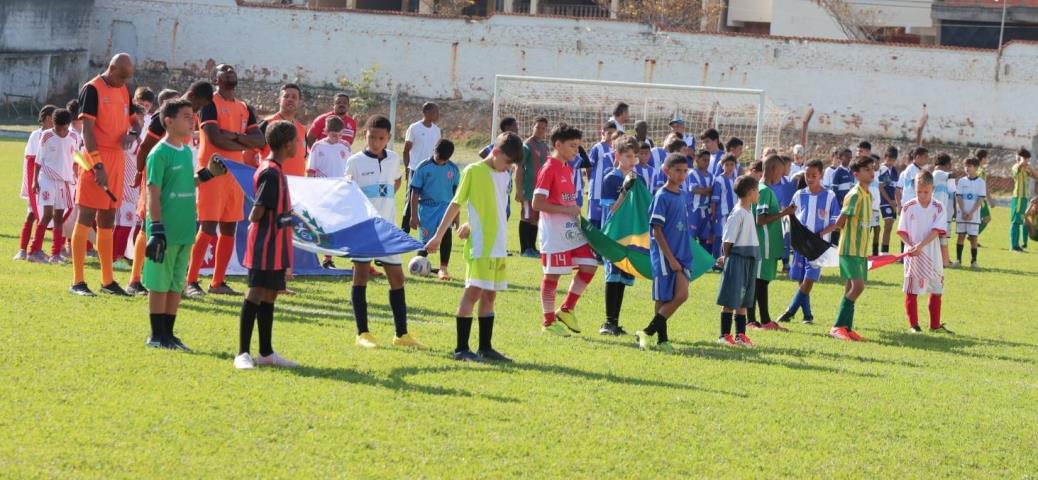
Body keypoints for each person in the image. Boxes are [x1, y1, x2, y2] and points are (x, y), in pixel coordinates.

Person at [424, 132, 524, 362]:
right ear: (496, 153)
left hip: (498, 244)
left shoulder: (504, 174)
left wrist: (470, 222)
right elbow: (456, 203)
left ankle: (485, 348)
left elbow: (494, 207)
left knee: (490, 295)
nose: (509, 167)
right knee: (473, 293)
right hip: (480, 246)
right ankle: (461, 349)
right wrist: (439, 236)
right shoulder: (473, 171)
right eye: (508, 162)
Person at [142, 98, 228, 350]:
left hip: (184, 228)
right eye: (187, 117)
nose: (193, 121)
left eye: (194, 116)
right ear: (169, 121)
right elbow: (153, 191)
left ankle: (168, 334)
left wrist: (208, 174)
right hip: (164, 229)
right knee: (159, 283)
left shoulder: (184, 151)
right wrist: (156, 228)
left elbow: (183, 183)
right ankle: (156, 336)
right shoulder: (159, 153)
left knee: (175, 283)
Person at [185, 64, 266, 298]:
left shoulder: (244, 107)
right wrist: (243, 142)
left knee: (230, 226)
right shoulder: (210, 104)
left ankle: (218, 281)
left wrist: (236, 137)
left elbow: (259, 139)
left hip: (236, 174)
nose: (230, 70)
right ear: (215, 79)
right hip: (213, 171)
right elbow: (215, 138)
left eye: (232, 69)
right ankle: (191, 280)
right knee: (208, 225)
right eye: (223, 70)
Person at [345, 115, 426, 349]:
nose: (376, 142)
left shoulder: (393, 159)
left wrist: (385, 205)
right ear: (365, 135)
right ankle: (363, 333)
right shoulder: (355, 162)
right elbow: (349, 192)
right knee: (360, 276)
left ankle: (401, 335)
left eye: (381, 138)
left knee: (397, 279)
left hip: (387, 230)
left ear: (389, 138)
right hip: (363, 229)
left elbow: (397, 183)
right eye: (372, 137)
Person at [128, 82, 214, 295]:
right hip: (157, 176)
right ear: (192, 95)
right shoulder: (165, 117)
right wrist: (140, 173)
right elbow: (146, 146)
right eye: (199, 104)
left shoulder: (186, 121)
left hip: (178, 178)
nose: (197, 111)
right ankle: (135, 280)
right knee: (145, 225)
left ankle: (175, 282)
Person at [229, 120, 301, 368]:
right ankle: (242, 353)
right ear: (288, 143)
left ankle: (266, 352)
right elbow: (258, 210)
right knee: (256, 293)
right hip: (264, 243)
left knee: (270, 295)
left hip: (277, 244)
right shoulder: (270, 172)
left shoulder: (276, 170)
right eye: (297, 141)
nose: (299, 146)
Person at [69, 53, 136, 297]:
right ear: (111, 68)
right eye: (121, 76)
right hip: (95, 158)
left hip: (117, 158)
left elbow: (135, 121)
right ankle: (77, 281)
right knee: (85, 216)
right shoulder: (92, 89)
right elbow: (87, 130)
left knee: (108, 218)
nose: (123, 82)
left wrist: (133, 133)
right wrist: (97, 165)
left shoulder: (124, 88)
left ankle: (107, 281)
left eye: (127, 78)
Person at [532, 122, 598, 336]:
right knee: (552, 277)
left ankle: (567, 309)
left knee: (590, 265)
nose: (576, 150)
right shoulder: (549, 168)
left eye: (578, 146)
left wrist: (573, 211)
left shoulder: (567, 167)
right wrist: (565, 209)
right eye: (572, 146)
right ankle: (548, 322)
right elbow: (537, 204)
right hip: (554, 233)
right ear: (558, 145)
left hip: (572, 231)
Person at [635, 154, 693, 351]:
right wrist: (670, 259)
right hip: (665, 255)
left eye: (685, 171)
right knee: (664, 297)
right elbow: (656, 231)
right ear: (666, 171)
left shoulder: (682, 195)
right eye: (677, 170)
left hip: (682, 255)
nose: (682, 174)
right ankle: (661, 339)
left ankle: (649, 333)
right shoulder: (661, 196)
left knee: (681, 295)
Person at [776, 160, 840, 324]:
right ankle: (807, 315)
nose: (810, 178)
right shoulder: (799, 195)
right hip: (801, 243)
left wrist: (821, 234)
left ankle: (789, 311)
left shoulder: (830, 196)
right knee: (801, 280)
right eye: (807, 175)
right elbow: (791, 214)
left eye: (814, 175)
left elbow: (837, 222)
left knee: (809, 279)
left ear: (821, 175)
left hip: (819, 246)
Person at [898, 171, 953, 334]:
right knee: (911, 289)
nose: (922, 195)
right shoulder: (908, 207)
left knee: (937, 289)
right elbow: (901, 231)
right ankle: (914, 326)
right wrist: (909, 245)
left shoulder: (938, 207)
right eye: (918, 192)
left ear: (933, 189)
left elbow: (937, 231)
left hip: (932, 254)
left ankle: (935, 325)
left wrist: (920, 245)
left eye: (926, 192)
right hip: (913, 256)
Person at [830, 156, 875, 342]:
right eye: (867, 170)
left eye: (872, 169)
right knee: (858, 287)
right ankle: (837, 326)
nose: (871, 172)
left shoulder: (869, 195)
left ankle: (846, 328)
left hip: (861, 251)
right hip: (849, 249)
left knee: (850, 287)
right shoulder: (854, 194)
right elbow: (840, 221)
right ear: (856, 174)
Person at [598, 136, 640, 336]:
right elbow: (612, 209)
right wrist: (625, 190)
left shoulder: (636, 178)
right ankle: (607, 322)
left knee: (622, 278)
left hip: (629, 236)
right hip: (613, 235)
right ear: (618, 156)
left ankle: (615, 322)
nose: (632, 160)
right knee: (612, 277)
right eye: (628, 156)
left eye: (635, 156)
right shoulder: (611, 178)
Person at [749, 155, 796, 330]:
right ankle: (753, 320)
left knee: (761, 282)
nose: (781, 177)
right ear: (774, 170)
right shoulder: (765, 191)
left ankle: (764, 320)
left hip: (766, 245)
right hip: (763, 245)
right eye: (781, 173)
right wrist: (784, 213)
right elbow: (760, 219)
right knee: (758, 282)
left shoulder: (761, 189)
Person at [715, 175, 761, 347]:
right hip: (737, 260)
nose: (758, 194)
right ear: (750, 192)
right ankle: (724, 335)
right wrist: (726, 257)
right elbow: (728, 240)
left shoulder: (749, 212)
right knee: (731, 299)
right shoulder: (738, 213)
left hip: (750, 260)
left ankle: (740, 335)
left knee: (744, 300)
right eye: (757, 191)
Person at [28, 108, 76, 265]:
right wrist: (35, 181)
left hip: (64, 181)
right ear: (53, 125)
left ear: (68, 125)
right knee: (47, 214)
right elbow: (38, 161)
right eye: (59, 128)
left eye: (65, 128)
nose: (62, 132)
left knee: (59, 217)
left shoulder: (74, 137)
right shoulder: (46, 136)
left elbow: (74, 159)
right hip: (47, 178)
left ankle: (55, 254)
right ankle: (33, 250)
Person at [410, 139, 461, 281]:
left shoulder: (453, 169)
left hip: (446, 208)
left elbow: (457, 195)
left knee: (446, 235)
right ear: (434, 151)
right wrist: (413, 215)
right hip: (427, 208)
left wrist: (457, 217)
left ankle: (443, 269)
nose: (441, 162)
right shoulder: (423, 167)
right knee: (425, 240)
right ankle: (419, 263)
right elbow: (415, 193)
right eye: (439, 158)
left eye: (444, 160)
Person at [15, 105, 56, 261]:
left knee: (45, 215)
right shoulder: (35, 136)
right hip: (36, 182)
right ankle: (23, 250)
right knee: (32, 214)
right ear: (47, 118)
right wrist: (31, 184)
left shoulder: (54, 135)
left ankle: (36, 249)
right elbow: (30, 162)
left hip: (49, 182)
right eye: (54, 117)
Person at [112, 103, 147, 271]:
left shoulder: (136, 138)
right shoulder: (129, 138)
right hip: (126, 186)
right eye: (139, 118)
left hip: (133, 187)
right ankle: (116, 256)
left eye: (142, 118)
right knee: (124, 223)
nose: (141, 121)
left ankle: (123, 256)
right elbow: (142, 154)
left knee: (129, 223)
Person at [401, 102, 441, 232]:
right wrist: (407, 168)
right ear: (426, 112)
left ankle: (428, 231)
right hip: (415, 169)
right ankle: (404, 231)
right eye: (435, 111)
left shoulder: (436, 130)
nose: (438, 114)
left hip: (431, 170)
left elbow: (437, 151)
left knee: (429, 200)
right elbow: (406, 150)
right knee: (410, 200)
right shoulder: (414, 128)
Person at [515, 117, 549, 257]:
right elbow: (519, 168)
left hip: (539, 189)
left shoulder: (544, 146)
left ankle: (532, 247)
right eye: (538, 127)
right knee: (526, 217)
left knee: (535, 218)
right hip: (528, 189)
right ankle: (524, 249)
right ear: (532, 127)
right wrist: (519, 190)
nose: (540, 130)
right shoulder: (527, 145)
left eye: (543, 128)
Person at [256, 84, 307, 176]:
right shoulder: (267, 124)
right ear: (279, 100)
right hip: (273, 183)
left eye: (294, 97)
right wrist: (261, 176)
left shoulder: (302, 129)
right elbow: (248, 155)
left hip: (297, 186)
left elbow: (303, 158)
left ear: (299, 103)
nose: (290, 99)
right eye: (286, 96)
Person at [953, 157, 985, 269]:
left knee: (973, 238)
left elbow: (980, 199)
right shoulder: (961, 181)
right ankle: (958, 260)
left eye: (970, 166)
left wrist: (971, 212)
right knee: (961, 236)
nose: (967, 168)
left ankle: (974, 261)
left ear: (976, 168)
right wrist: (963, 211)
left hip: (974, 215)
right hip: (962, 214)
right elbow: (959, 197)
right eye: (966, 166)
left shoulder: (981, 182)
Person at [587, 120, 619, 230]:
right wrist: (592, 181)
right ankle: (591, 246)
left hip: (609, 191)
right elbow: (589, 166)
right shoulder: (597, 147)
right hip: (596, 190)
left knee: (606, 220)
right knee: (594, 220)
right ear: (603, 133)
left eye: (613, 133)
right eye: (609, 133)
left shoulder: (617, 149)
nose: (611, 136)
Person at [710, 154, 738, 259]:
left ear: (735, 166)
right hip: (722, 213)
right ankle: (716, 260)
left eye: (732, 164)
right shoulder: (719, 180)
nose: (729, 167)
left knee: (731, 237)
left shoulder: (736, 180)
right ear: (722, 166)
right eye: (727, 165)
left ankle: (728, 258)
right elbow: (714, 200)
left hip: (734, 213)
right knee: (720, 236)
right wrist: (713, 215)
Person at [686, 149, 714, 251]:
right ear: (696, 160)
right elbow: (694, 189)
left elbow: (711, 192)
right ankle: (689, 262)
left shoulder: (711, 176)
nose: (706, 163)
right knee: (691, 238)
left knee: (705, 239)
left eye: (708, 160)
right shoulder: (692, 173)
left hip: (706, 211)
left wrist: (704, 191)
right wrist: (708, 190)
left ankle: (704, 264)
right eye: (704, 160)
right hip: (694, 210)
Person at [1010, 148, 1037, 252]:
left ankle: (1017, 245)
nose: (1026, 161)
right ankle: (1014, 246)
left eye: (1028, 159)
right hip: (1018, 198)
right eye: (1025, 158)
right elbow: (1020, 164)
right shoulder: (1016, 167)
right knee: (1015, 222)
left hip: (1024, 198)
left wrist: (1029, 167)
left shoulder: (1026, 168)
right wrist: (1022, 160)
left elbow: (1036, 176)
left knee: (1019, 220)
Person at [932, 153, 956, 265]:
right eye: (950, 164)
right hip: (936, 211)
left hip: (943, 211)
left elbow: (952, 192)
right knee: (939, 235)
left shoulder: (942, 176)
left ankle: (944, 258)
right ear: (947, 164)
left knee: (942, 235)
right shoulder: (938, 173)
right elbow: (951, 175)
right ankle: (941, 259)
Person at [877, 146, 900, 254]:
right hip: (884, 201)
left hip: (893, 202)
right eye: (889, 159)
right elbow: (881, 187)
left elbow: (896, 188)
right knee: (887, 223)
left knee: (890, 226)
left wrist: (896, 201)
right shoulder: (882, 169)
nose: (891, 162)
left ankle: (885, 251)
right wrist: (889, 200)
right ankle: (882, 252)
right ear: (885, 157)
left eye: (893, 160)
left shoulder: (895, 171)